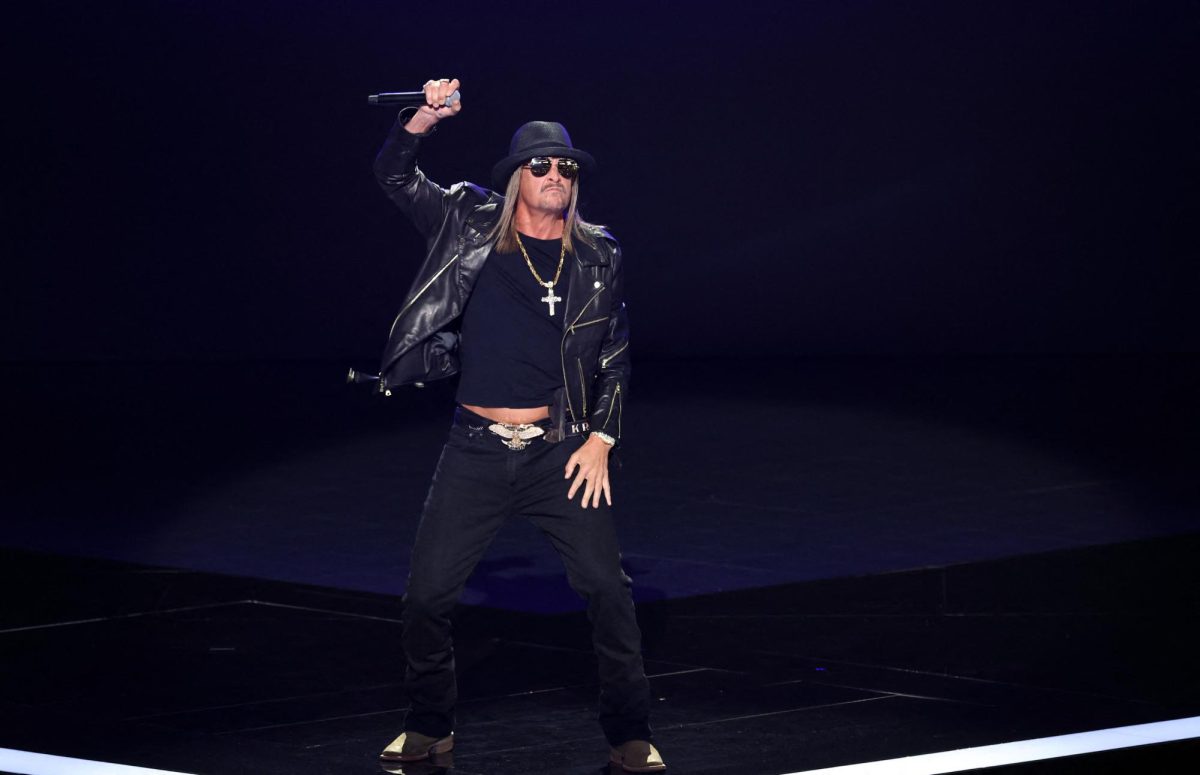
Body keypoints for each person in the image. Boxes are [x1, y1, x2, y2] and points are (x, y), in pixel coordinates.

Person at [372, 78, 665, 773]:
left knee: (607, 591)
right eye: (541, 165)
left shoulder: (600, 255)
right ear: (514, 179)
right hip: (474, 448)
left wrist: (602, 435)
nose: (556, 174)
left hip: (559, 451)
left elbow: (616, 355)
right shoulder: (468, 221)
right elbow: (394, 174)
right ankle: (429, 725)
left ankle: (630, 731)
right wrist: (422, 121)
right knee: (425, 598)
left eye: (566, 166)